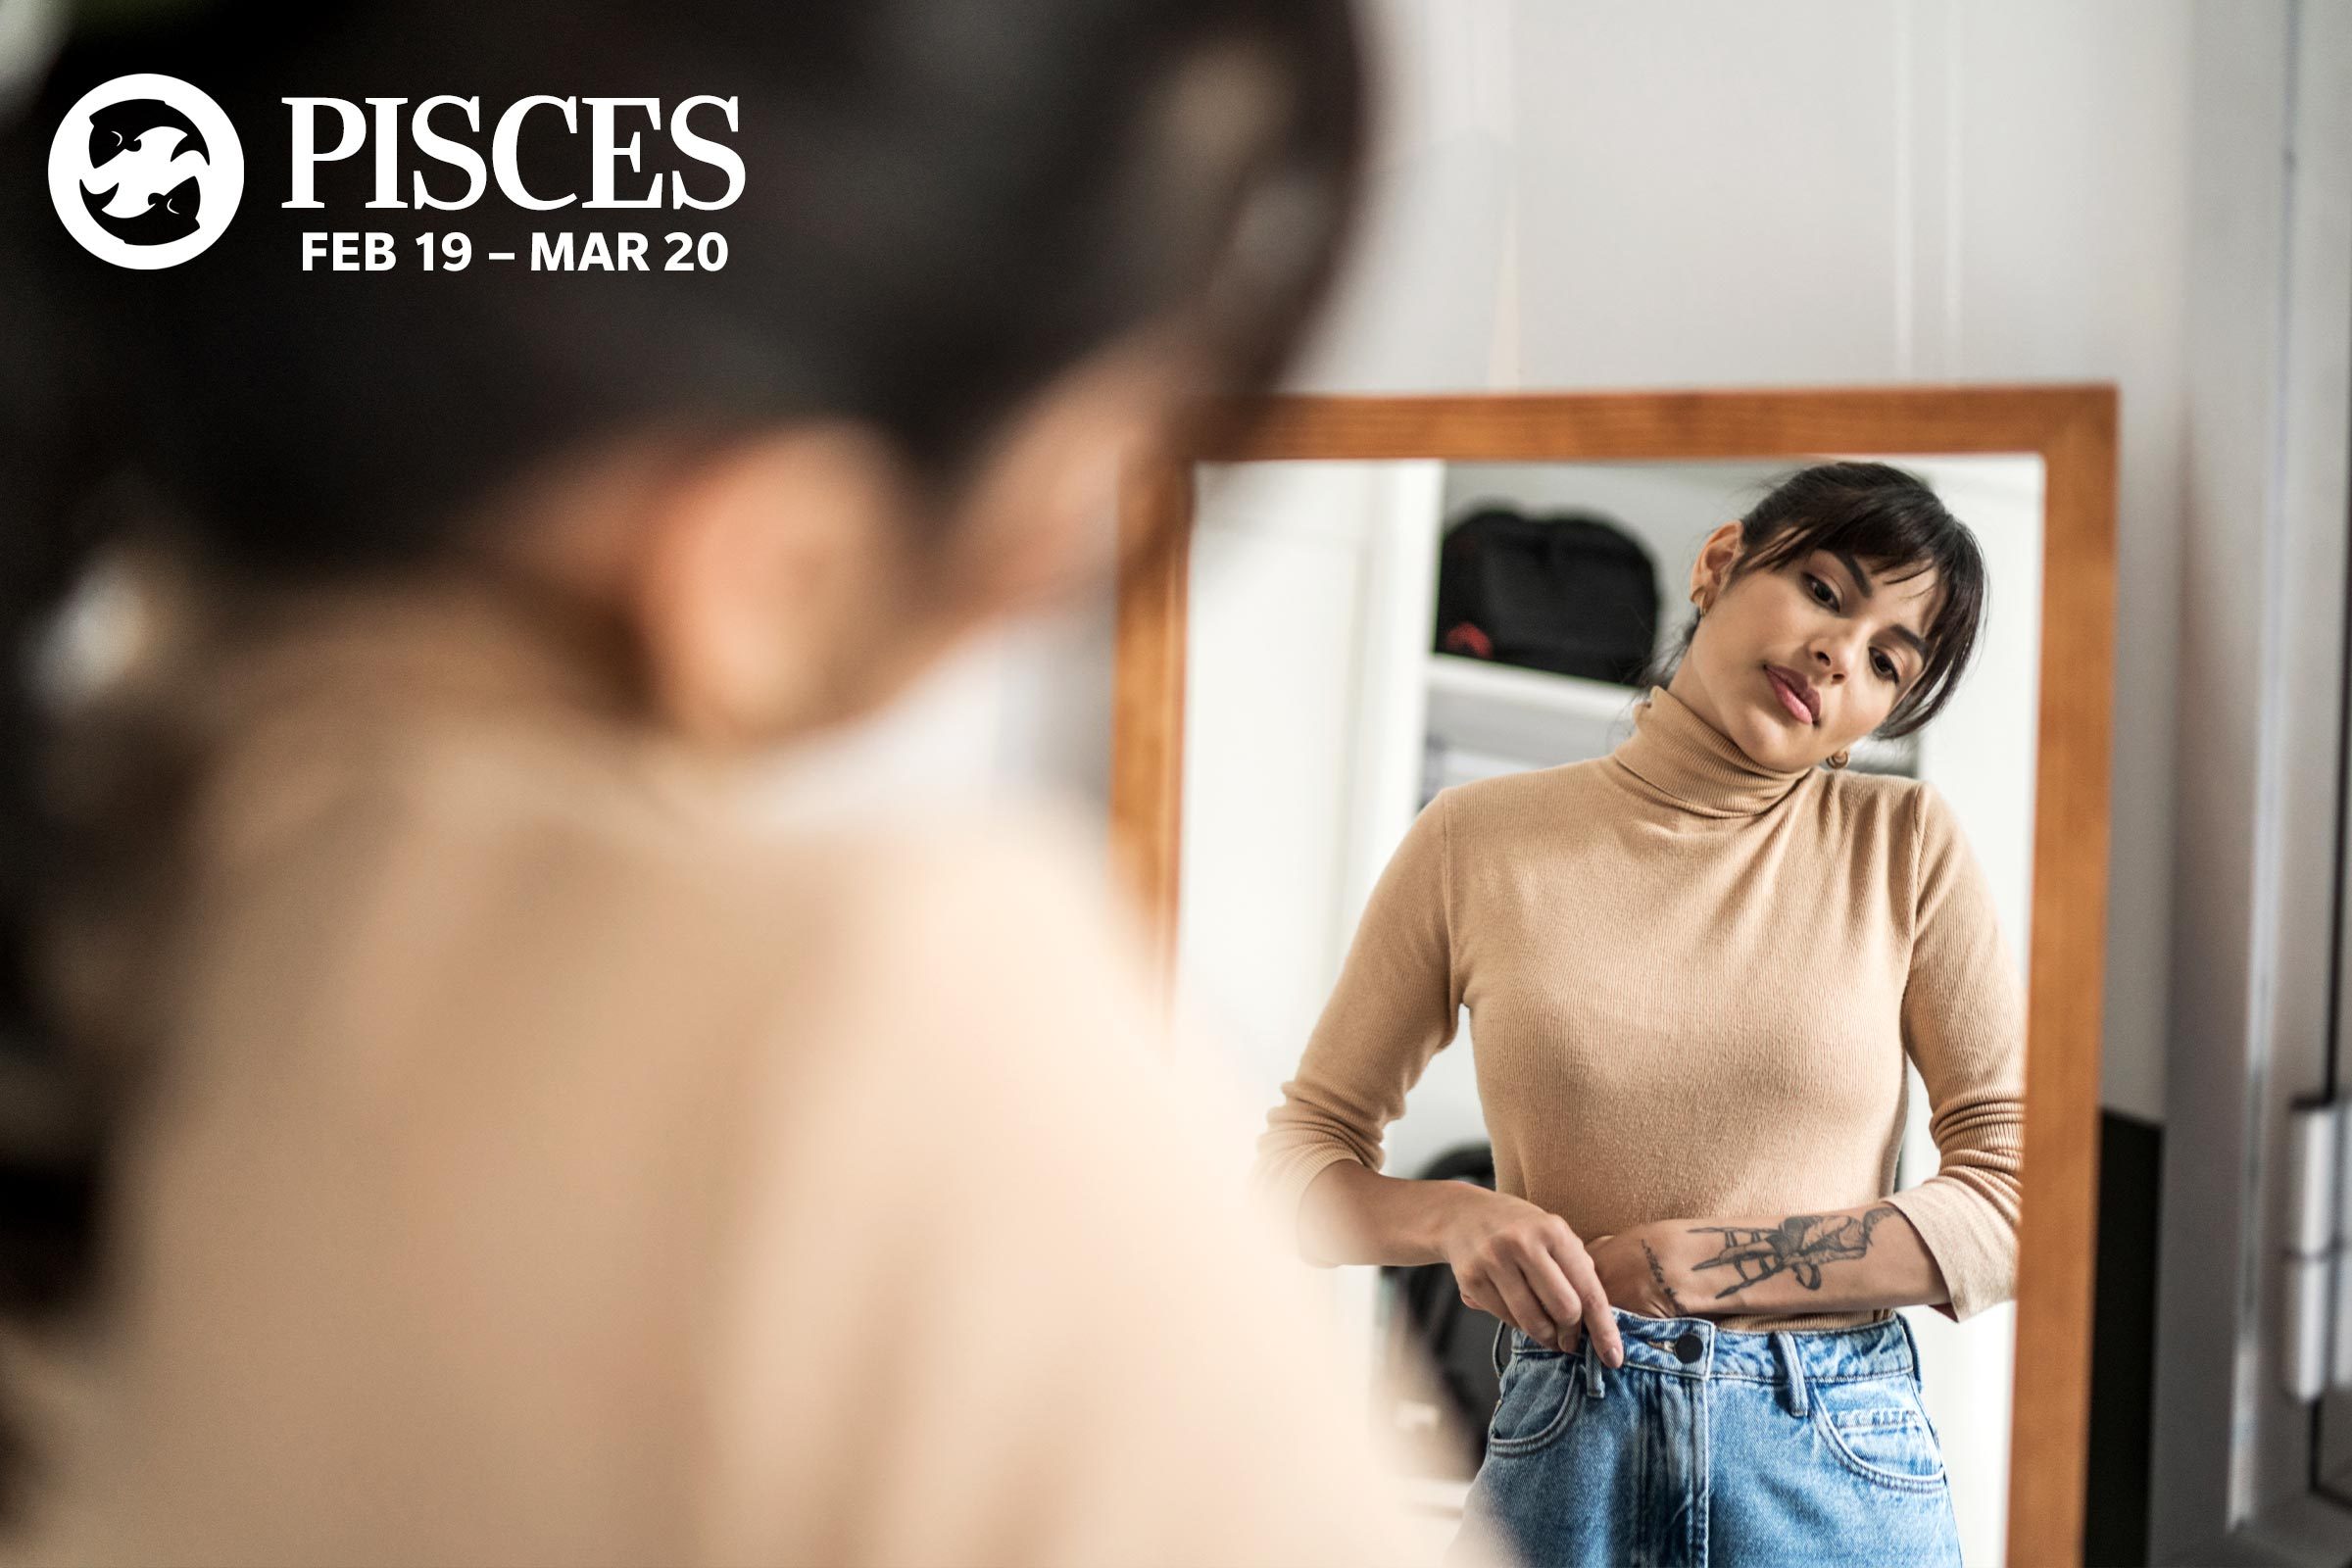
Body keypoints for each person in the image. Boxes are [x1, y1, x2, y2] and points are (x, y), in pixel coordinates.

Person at [0, 2, 1496, 1563]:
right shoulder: (865, 1019)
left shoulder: (106, 905)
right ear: (771, 565)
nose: (1047, 587)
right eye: (1071, 521)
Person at [1252, 463, 2020, 1568]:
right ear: (1718, 564)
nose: (1838, 652)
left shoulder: (1903, 846)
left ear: (1875, 716)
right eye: (1824, 587)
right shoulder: (1475, 839)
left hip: (1831, 1460)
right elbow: (1293, 1173)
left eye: (1888, 661)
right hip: (1569, 1449)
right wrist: (1457, 1217)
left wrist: (1705, 1265)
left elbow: (2013, 1192)